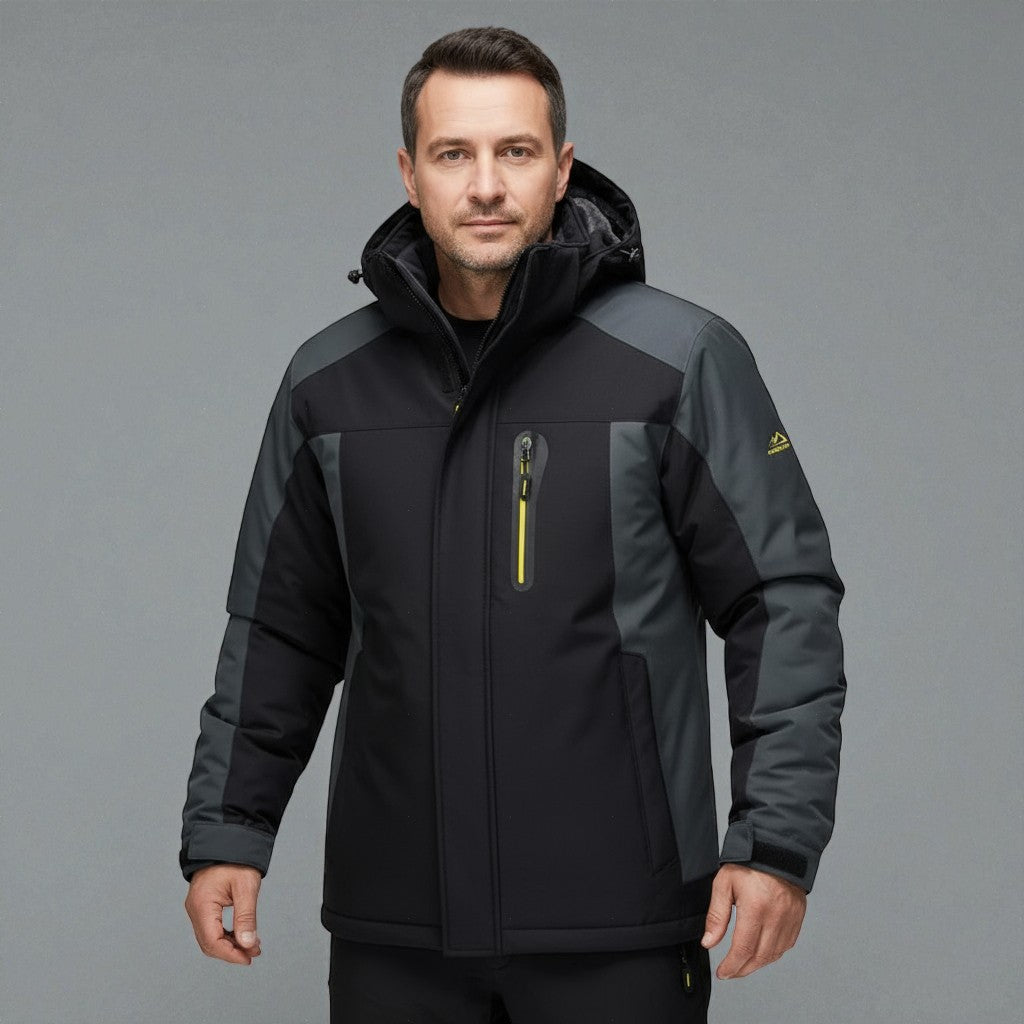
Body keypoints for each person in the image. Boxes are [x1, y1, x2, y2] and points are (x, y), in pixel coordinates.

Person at [180, 25, 846, 1024]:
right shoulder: (328, 384)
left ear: (561, 168)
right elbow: (279, 628)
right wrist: (230, 829)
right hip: (394, 932)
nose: (486, 185)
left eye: (516, 151)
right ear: (410, 174)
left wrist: (776, 843)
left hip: (617, 923)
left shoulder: (678, 362)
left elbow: (780, 599)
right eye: (454, 153)